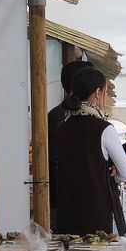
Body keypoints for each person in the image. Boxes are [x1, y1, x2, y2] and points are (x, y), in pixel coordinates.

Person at [54, 67, 126, 235]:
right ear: (98, 93)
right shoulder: (104, 129)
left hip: (66, 210)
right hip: (95, 211)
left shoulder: (63, 127)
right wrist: (113, 175)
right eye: (105, 92)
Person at [47, 60, 93, 229]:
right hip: (68, 198)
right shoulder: (63, 116)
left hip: (66, 196)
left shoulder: (56, 114)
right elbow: (55, 160)